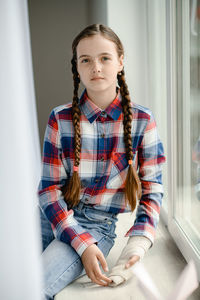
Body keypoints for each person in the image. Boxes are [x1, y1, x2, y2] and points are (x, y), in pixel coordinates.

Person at [37, 23, 166, 300]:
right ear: (77, 68)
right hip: (51, 217)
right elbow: (48, 190)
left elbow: (153, 190)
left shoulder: (143, 121)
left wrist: (137, 245)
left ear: (120, 62)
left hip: (97, 225)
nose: (96, 67)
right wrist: (79, 242)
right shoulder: (59, 119)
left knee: (35, 289)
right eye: (86, 60)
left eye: (105, 58)